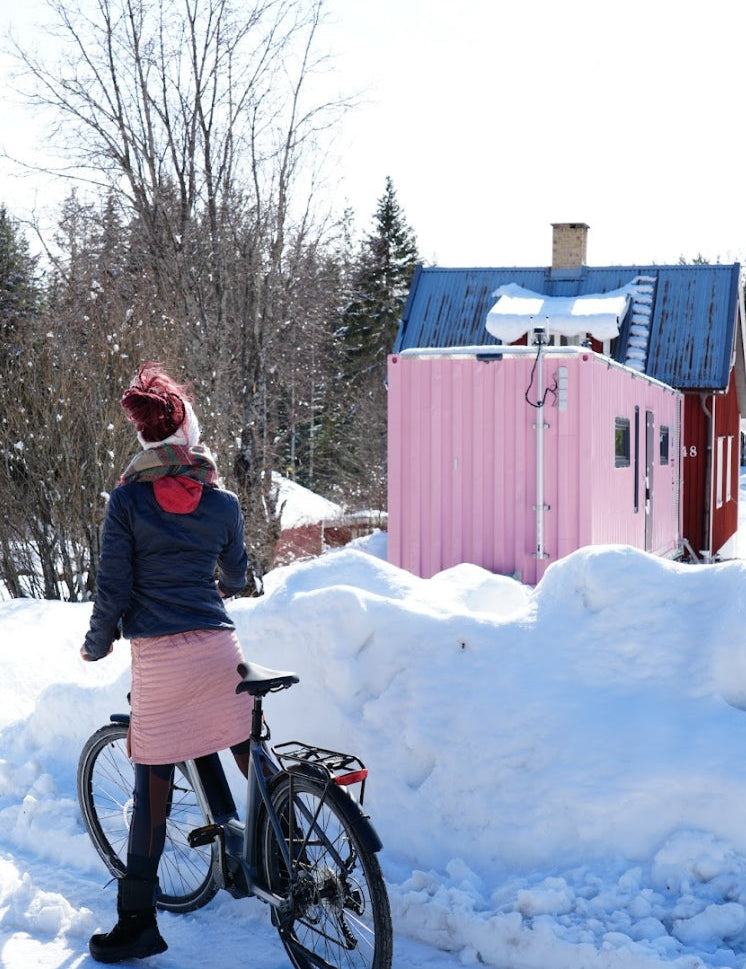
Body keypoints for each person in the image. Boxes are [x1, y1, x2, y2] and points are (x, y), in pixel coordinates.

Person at [80, 362, 253, 963]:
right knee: (246, 747)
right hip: (220, 650)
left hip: (160, 660)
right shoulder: (222, 501)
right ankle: (282, 845)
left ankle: (137, 924)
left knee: (152, 795)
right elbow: (237, 575)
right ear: (190, 434)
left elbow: (114, 587)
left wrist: (98, 641)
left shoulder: (127, 500)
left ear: (146, 441)